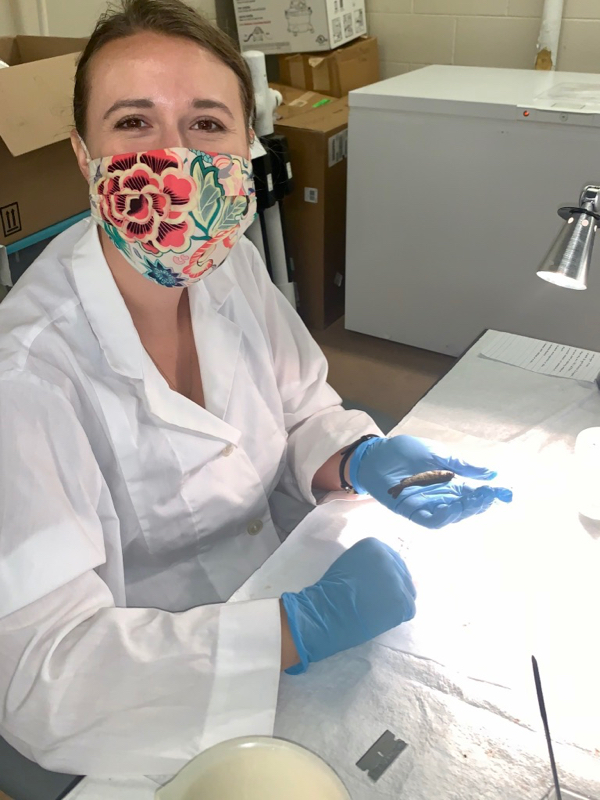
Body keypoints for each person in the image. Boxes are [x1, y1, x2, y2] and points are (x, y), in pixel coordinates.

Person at [0, 0, 511, 777]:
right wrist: (295, 629)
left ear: (247, 147)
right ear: (83, 154)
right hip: (143, 708)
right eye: (134, 123)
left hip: (276, 580)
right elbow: (42, 680)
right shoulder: (25, 375)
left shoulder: (228, 259)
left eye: (207, 125)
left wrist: (357, 457)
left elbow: (300, 404)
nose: (174, 159)